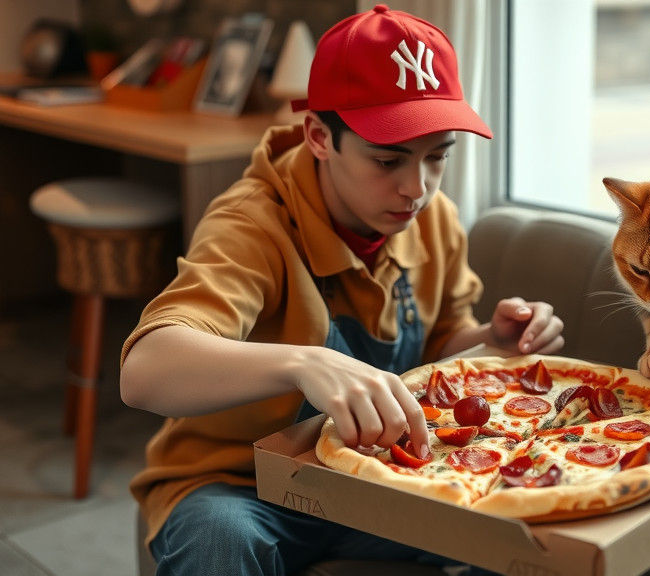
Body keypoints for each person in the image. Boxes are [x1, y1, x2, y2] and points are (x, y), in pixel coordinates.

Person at [119, 5, 564, 575]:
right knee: (219, 542)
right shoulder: (252, 223)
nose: (416, 189)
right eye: (387, 159)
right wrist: (305, 362)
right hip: (239, 487)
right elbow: (144, 370)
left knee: (529, 536)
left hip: (385, 478)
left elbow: (441, 342)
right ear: (319, 137)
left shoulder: (435, 219)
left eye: (438, 159)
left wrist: (490, 338)